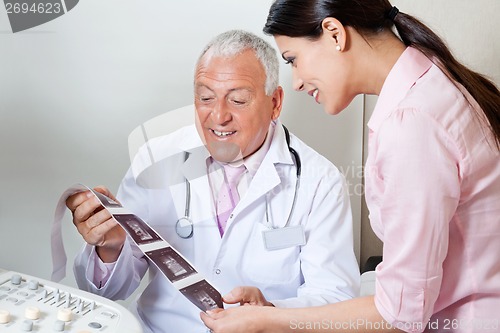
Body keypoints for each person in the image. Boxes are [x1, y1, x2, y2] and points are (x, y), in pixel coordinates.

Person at [201, 2, 500, 333]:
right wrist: (270, 312)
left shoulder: (412, 123)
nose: (297, 81)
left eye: (293, 60)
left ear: (334, 33)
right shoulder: (433, 83)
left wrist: (266, 321)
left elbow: (400, 313)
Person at [66, 30, 360, 333]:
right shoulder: (155, 159)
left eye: (238, 100)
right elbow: (108, 294)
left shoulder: (320, 180)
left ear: (275, 103)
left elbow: (336, 300)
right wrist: (111, 247)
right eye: (205, 97)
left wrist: (271, 314)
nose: (218, 116)